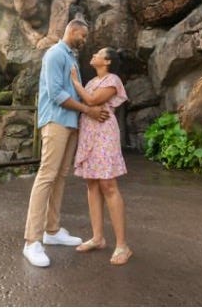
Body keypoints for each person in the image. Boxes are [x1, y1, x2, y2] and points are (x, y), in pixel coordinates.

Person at [23, 19, 110, 268]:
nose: (84, 40)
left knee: (60, 176)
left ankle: (52, 230)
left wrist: (85, 114)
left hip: (71, 124)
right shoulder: (55, 54)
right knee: (47, 176)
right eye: (82, 35)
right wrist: (87, 110)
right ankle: (32, 241)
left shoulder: (71, 58)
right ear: (72, 31)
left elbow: (75, 90)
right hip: (55, 121)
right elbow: (55, 93)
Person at [70, 47, 133, 266]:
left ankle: (122, 245)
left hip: (104, 133)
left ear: (106, 61)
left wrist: (75, 82)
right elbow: (88, 101)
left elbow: (93, 100)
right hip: (89, 132)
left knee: (108, 184)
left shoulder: (112, 79)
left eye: (97, 54)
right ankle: (97, 237)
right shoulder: (91, 82)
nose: (93, 55)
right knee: (92, 184)